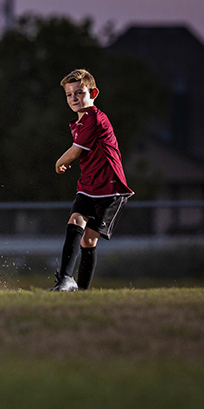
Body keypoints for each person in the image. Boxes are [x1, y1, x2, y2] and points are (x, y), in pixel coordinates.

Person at [51, 68, 134, 291]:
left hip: (111, 190)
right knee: (75, 221)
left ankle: (83, 293)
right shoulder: (77, 123)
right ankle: (66, 279)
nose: (74, 98)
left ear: (93, 93)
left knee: (88, 240)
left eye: (79, 92)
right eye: (69, 94)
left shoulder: (96, 118)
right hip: (87, 187)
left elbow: (76, 150)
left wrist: (60, 161)